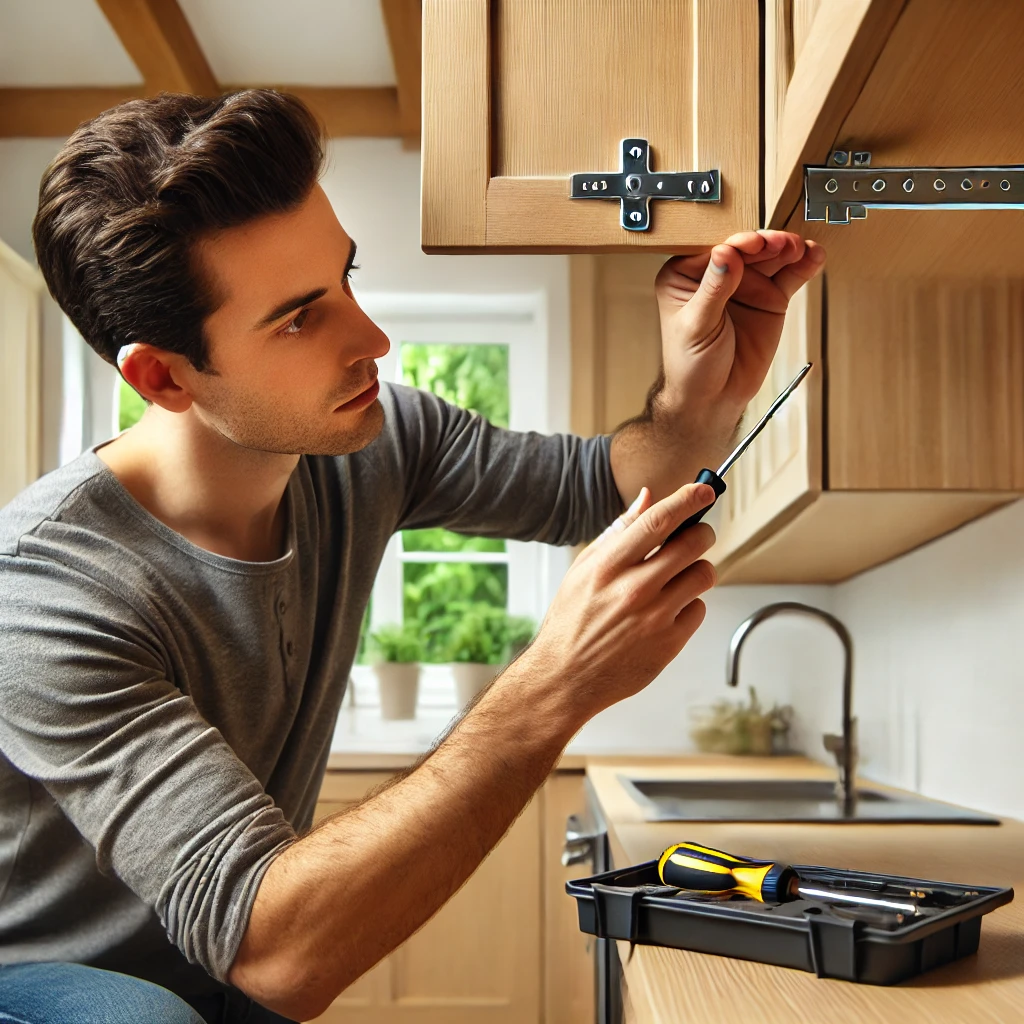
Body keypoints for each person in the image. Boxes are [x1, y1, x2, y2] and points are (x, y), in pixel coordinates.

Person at [0, 89, 825, 1024]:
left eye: (346, 278)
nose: (375, 341)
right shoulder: (45, 591)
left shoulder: (377, 444)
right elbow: (281, 954)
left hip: (221, 972)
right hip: (38, 981)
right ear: (163, 375)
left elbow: (597, 486)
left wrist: (698, 395)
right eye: (300, 318)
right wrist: (555, 682)